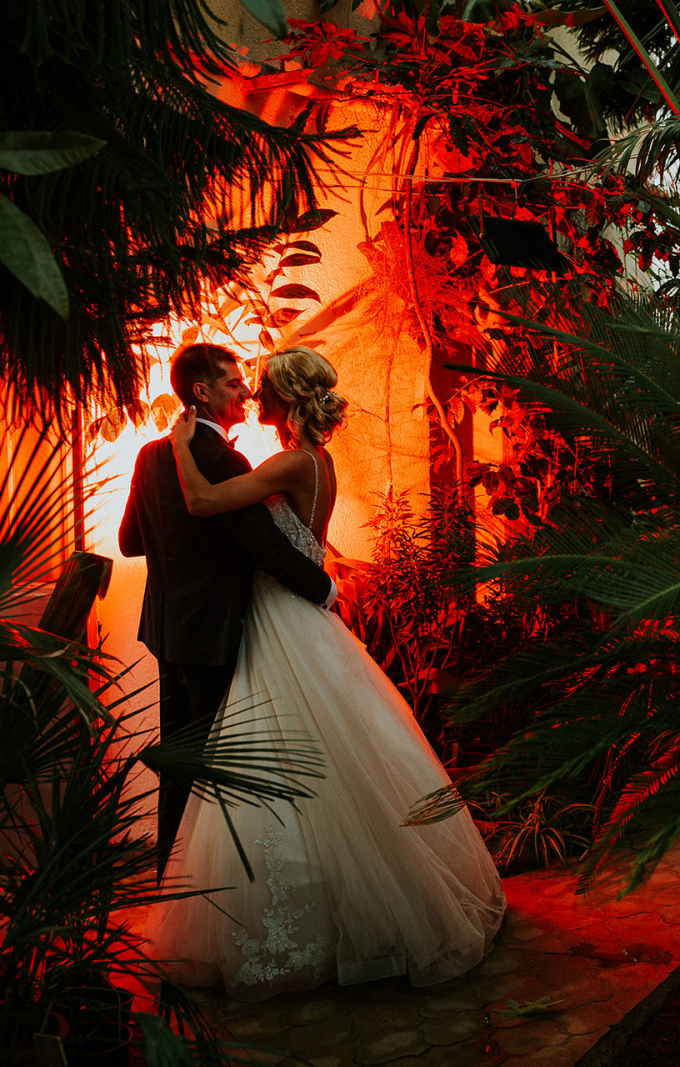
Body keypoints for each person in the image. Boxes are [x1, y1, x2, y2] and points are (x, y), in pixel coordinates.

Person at [145, 345, 504, 1000]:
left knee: (275, 756)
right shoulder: (319, 461)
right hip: (287, 614)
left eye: (263, 390)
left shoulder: (283, 461)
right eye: (242, 386)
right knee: (326, 753)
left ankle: (298, 915)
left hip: (272, 618)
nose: (253, 398)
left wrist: (175, 440)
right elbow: (284, 539)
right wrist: (326, 585)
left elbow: (202, 504)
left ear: (288, 398)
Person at [119, 343, 336, 880]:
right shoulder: (227, 460)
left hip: (167, 630)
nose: (244, 391)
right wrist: (325, 588)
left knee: (180, 761)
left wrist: (180, 549)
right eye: (234, 383)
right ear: (203, 391)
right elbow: (265, 546)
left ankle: (173, 877)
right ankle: (219, 882)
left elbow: (128, 542)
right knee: (224, 766)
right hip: (217, 632)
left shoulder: (150, 455)